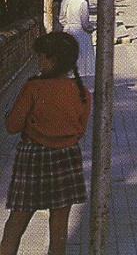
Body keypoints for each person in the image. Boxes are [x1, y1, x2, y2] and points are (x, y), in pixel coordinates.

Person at [1, 32, 91, 255]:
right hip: (67, 159)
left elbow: (12, 126)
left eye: (43, 57)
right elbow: (80, 130)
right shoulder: (82, 92)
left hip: (32, 159)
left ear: (55, 60)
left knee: (15, 225)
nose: (39, 61)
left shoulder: (33, 88)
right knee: (59, 231)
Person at [58, 0, 94, 72]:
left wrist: (67, 25)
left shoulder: (65, 1)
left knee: (68, 55)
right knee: (81, 57)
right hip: (80, 31)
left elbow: (61, 18)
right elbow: (85, 22)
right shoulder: (83, 3)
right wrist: (90, 29)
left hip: (68, 30)